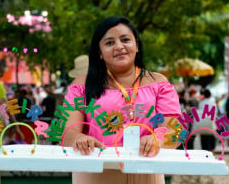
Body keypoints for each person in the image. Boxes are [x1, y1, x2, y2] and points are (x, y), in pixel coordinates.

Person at [63, 16, 181, 184]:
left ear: (137, 46)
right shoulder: (81, 85)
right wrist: (78, 139)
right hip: (95, 170)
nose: (119, 46)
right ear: (100, 53)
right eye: (109, 43)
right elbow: (68, 132)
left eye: (125, 39)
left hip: (147, 170)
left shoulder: (159, 83)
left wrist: (158, 139)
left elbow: (174, 131)